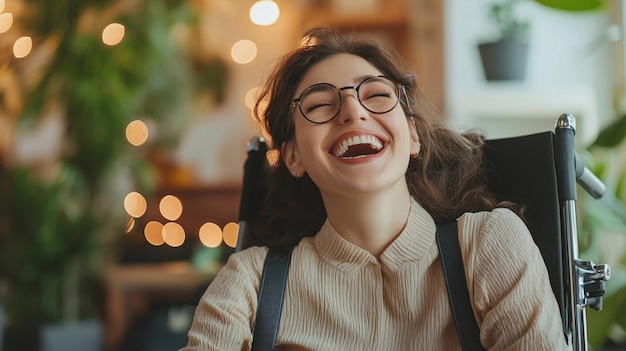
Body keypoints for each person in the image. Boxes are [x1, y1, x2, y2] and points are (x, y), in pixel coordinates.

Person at [181, 27, 569, 350]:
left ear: (413, 135)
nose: (353, 111)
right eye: (319, 105)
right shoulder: (251, 282)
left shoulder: (487, 245)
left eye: (377, 95)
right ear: (293, 156)